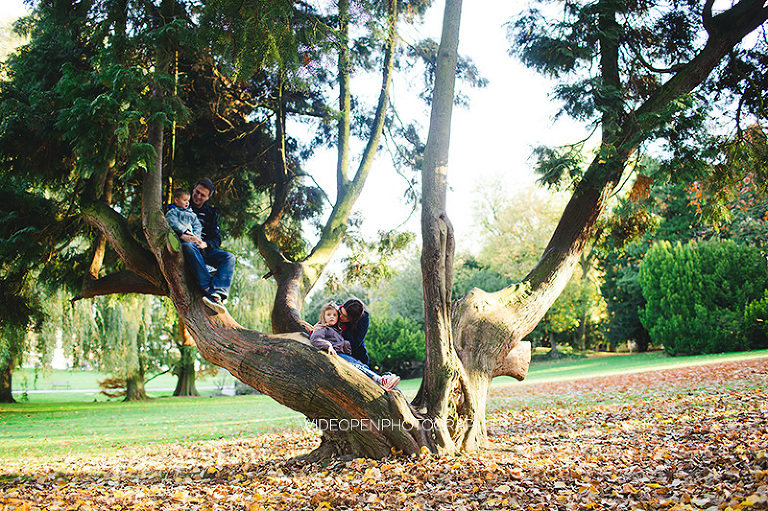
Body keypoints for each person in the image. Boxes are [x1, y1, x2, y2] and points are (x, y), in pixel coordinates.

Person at [312, 299, 400, 390]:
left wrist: (345, 329)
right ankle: (380, 380)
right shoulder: (334, 313)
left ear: (352, 319)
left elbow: (355, 344)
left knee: (360, 365)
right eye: (340, 312)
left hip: (354, 350)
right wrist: (315, 331)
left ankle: (381, 381)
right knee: (354, 365)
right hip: (337, 352)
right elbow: (317, 336)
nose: (340, 316)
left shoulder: (363, 319)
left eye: (345, 316)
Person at [179, 178, 236, 315]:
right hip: (186, 250)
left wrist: (205, 244)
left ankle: (216, 294)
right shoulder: (180, 205)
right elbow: (169, 226)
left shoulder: (211, 214)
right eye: (197, 192)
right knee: (188, 246)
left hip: (204, 252)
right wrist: (182, 236)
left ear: (208, 197)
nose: (198, 197)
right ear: (193, 189)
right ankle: (207, 286)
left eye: (202, 195)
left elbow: (217, 239)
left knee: (229, 257)